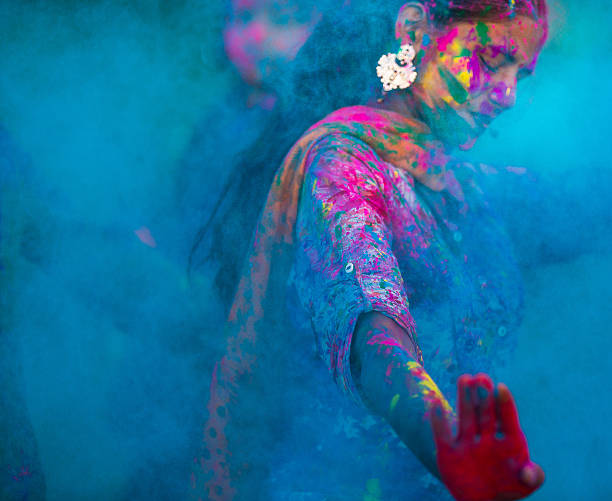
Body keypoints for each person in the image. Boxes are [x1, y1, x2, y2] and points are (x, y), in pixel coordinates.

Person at [190, 1, 551, 499]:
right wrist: (447, 444)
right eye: (492, 60)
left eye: (522, 75)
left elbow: (577, 202)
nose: (509, 95)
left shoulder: (459, 184)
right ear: (415, 31)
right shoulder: (343, 166)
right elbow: (373, 340)